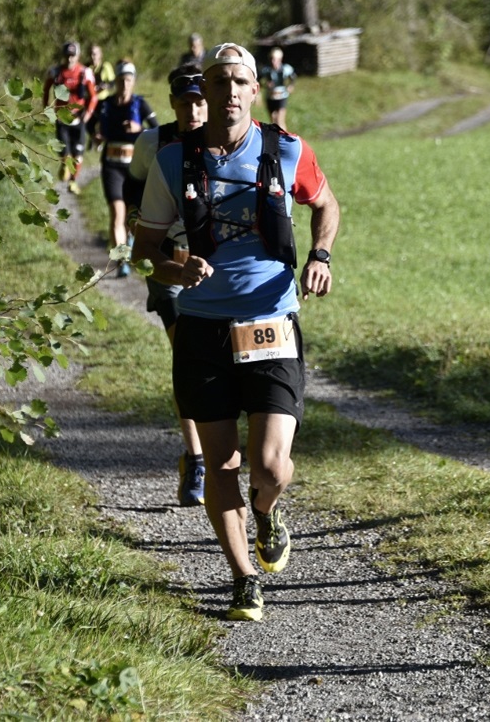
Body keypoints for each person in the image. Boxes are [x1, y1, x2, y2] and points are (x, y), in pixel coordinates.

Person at [134, 43, 340, 622]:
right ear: (205, 93)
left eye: (238, 82)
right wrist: (177, 267)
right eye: (217, 82)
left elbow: (326, 205)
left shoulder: (286, 149)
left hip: (270, 319)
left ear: (255, 90)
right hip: (202, 326)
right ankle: (243, 578)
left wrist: (320, 255)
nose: (227, 92)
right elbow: (145, 246)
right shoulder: (174, 161)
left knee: (271, 467)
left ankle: (268, 513)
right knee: (221, 462)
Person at [126, 63, 208, 506]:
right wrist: (143, 231)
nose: (193, 110)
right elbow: (130, 188)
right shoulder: (152, 142)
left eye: (200, 101)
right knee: (189, 358)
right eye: (185, 102)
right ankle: (196, 459)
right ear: (172, 103)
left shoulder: (225, 140)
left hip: (219, 269)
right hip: (169, 266)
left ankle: (222, 453)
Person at [94, 60, 158, 277]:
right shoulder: (106, 105)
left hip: (136, 166)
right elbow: (90, 124)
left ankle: (132, 241)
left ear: (133, 82)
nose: (124, 84)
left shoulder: (140, 105)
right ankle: (122, 260)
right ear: (116, 82)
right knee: (116, 213)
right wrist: (96, 134)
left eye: (128, 80)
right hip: (112, 165)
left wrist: (139, 128)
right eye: (121, 80)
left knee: (135, 214)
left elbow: (158, 130)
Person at [42, 41, 97, 195]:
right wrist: (46, 109)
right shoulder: (55, 72)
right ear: (63, 56)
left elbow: (93, 96)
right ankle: (65, 164)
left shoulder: (85, 73)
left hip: (79, 120)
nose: (70, 59)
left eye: (73, 56)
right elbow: (45, 90)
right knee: (66, 154)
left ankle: (73, 182)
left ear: (77, 56)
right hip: (61, 119)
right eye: (67, 56)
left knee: (78, 156)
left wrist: (89, 112)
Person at [85, 44, 116, 150]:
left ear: (100, 55)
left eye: (95, 54)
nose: (92, 57)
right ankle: (94, 138)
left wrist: (105, 86)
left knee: (103, 121)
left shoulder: (105, 66)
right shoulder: (86, 67)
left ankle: (102, 141)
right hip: (90, 99)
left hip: (103, 99)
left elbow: (112, 82)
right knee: (89, 122)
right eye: (91, 54)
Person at [259, 47, 297, 131]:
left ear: (280, 59)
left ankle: (284, 139)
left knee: (280, 120)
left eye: (275, 59)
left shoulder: (286, 69)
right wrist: (265, 85)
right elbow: (258, 81)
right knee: (273, 120)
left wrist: (291, 86)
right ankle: (276, 140)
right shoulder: (266, 70)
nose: (273, 62)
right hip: (270, 97)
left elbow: (293, 78)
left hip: (281, 96)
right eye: (272, 59)